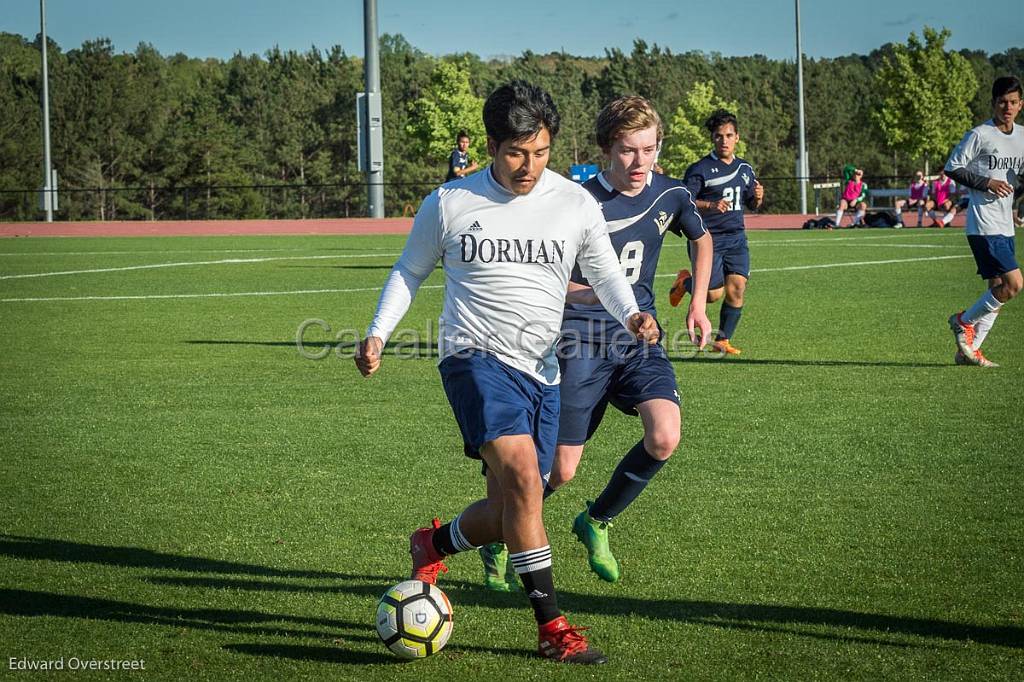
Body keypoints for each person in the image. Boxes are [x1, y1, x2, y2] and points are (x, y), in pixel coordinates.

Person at [356, 80, 659, 664]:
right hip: (472, 357)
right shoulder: (449, 203)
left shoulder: (574, 203)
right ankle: (553, 628)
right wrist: (378, 332)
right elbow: (409, 271)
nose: (529, 166)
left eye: (541, 152)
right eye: (517, 153)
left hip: (543, 369)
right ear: (493, 145)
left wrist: (633, 314)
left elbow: (603, 273)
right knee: (523, 478)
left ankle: (435, 542)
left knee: (525, 502)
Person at [477, 96, 713, 587]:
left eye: (649, 149)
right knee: (558, 471)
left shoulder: (670, 194)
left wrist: (696, 304)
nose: (639, 162)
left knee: (665, 435)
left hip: (637, 339)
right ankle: (496, 534)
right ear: (607, 148)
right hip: (577, 344)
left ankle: (596, 520)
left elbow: (702, 237)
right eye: (628, 150)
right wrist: (602, 298)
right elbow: (542, 274)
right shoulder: (574, 202)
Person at [669, 109, 765, 356]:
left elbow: (750, 203)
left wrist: (757, 198)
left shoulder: (745, 168)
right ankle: (685, 281)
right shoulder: (700, 169)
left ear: (737, 137)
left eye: (729, 135)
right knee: (712, 295)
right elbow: (685, 200)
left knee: (737, 288)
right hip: (707, 239)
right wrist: (710, 205)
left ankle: (722, 340)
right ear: (712, 138)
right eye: (719, 136)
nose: (724, 140)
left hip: (736, 237)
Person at [946, 75, 1024, 367]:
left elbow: (1018, 181)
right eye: (1002, 101)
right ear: (993, 103)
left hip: (1005, 224)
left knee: (997, 291)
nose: (1008, 107)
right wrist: (986, 183)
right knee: (1014, 285)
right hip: (983, 224)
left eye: (1013, 102)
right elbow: (952, 168)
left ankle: (969, 351)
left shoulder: (1023, 136)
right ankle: (961, 321)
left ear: (1021, 105)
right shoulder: (980, 134)